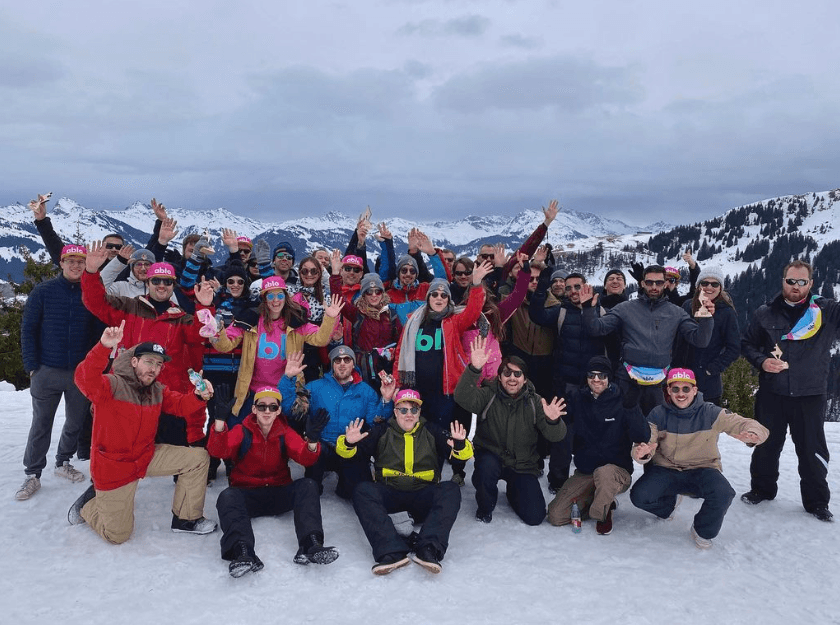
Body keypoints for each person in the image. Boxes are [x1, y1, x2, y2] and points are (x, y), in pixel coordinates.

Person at [68, 323, 217, 543]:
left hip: (145, 457)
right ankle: (88, 505)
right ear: (134, 361)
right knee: (117, 535)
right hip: (114, 467)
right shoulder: (112, 385)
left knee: (198, 458)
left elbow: (179, 405)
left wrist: (197, 396)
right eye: (148, 361)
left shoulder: (156, 390)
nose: (154, 369)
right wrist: (103, 347)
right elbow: (84, 379)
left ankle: (187, 519)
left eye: (158, 364)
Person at [81, 242, 216, 446]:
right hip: (130, 391)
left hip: (167, 394)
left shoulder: (181, 318)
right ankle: (114, 477)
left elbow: (200, 335)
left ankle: (184, 474)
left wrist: (204, 306)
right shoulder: (129, 306)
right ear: (149, 282)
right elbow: (95, 302)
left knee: (177, 447)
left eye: (167, 282)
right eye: (156, 280)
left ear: (173, 285)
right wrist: (91, 272)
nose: (162, 285)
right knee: (120, 445)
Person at [740, 260, 840, 522]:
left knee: (811, 449)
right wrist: (762, 361)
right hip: (772, 392)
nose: (795, 286)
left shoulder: (826, 311)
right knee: (766, 445)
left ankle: (817, 502)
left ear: (811, 283)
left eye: (801, 282)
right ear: (782, 281)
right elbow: (748, 344)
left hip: (810, 394)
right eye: (790, 281)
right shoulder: (765, 312)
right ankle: (761, 489)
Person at [336, 389, 473, 575]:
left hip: (423, 495)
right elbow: (351, 456)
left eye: (413, 410)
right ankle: (390, 551)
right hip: (391, 495)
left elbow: (461, 456)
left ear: (419, 413)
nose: (409, 415)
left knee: (450, 489)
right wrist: (349, 444)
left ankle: (428, 549)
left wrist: (459, 446)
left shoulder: (431, 430)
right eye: (403, 410)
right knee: (362, 490)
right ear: (395, 411)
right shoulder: (382, 430)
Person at [629, 368, 768, 548]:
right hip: (667, 469)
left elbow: (743, 423)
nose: (681, 394)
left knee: (723, 493)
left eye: (686, 389)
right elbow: (646, 441)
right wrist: (642, 453)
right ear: (668, 391)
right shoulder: (658, 413)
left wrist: (753, 433)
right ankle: (668, 507)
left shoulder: (710, 412)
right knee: (639, 496)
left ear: (694, 390)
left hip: (702, 469)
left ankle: (702, 530)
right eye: (675, 389)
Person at [208, 386, 339, 577]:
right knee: (227, 496)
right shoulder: (241, 430)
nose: (267, 411)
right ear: (254, 409)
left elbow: (306, 458)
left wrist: (312, 441)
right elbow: (218, 451)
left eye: (272, 407)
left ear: (278, 410)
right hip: (247, 494)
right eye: (262, 406)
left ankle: (311, 544)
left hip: (278, 491)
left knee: (308, 486)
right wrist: (219, 421)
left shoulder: (284, 432)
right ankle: (243, 552)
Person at [454, 336, 567, 525]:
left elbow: (555, 436)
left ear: (524, 379)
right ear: (499, 377)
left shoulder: (535, 402)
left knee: (535, 517)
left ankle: (515, 490)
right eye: (507, 373)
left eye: (517, 374)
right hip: (491, 457)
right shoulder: (488, 394)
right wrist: (474, 369)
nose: (512, 378)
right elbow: (462, 396)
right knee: (485, 470)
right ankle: (485, 506)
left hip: (522, 464)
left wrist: (553, 421)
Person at [16, 244, 99, 501]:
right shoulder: (43, 292)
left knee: (75, 422)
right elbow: (28, 329)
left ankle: (63, 461)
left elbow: (97, 333)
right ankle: (32, 473)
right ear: (61, 263)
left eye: (80, 261)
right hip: (46, 370)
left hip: (79, 372)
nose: (76, 265)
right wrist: (32, 367)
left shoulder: (90, 292)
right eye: (70, 261)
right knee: (41, 423)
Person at [580, 264, 715, 415]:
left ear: (665, 284)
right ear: (642, 283)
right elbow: (596, 328)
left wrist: (706, 318)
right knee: (625, 429)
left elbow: (700, 340)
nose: (654, 287)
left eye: (658, 283)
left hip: (659, 383)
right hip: (628, 380)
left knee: (655, 429)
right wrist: (587, 309)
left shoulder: (677, 312)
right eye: (649, 282)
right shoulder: (625, 308)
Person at [210, 276, 342, 423]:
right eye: (270, 295)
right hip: (253, 391)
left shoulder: (296, 321)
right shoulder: (250, 320)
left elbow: (320, 339)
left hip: (285, 391)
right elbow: (224, 345)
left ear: (285, 297)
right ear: (264, 298)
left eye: (279, 295)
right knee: (242, 434)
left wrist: (330, 318)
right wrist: (218, 331)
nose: (275, 300)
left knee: (284, 440)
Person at [547, 356, 650, 534]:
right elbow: (560, 432)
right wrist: (554, 419)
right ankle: (601, 499)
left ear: (609, 377)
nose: (596, 379)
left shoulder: (622, 399)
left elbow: (642, 436)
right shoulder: (578, 398)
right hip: (586, 471)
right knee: (556, 516)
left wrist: (632, 408)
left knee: (604, 473)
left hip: (616, 472)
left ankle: (602, 512)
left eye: (602, 375)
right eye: (592, 375)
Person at [279, 347, 396, 498]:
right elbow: (291, 409)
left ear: (353, 364)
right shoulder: (316, 387)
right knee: (310, 489)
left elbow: (375, 421)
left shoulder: (366, 391)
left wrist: (386, 400)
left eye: (347, 360)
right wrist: (288, 379)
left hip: (350, 447)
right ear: (332, 364)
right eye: (337, 360)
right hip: (323, 447)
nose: (342, 364)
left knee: (351, 492)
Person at [529, 269, 607, 492]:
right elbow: (537, 315)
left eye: (577, 286)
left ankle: (590, 478)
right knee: (562, 434)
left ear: (586, 287)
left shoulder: (601, 311)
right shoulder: (561, 311)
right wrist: (543, 285)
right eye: (569, 287)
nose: (573, 291)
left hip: (593, 386)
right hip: (565, 384)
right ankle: (558, 479)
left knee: (592, 434)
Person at [672, 266, 740, 406]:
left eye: (714, 284)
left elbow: (734, 348)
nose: (709, 287)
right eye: (704, 283)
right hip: (680, 378)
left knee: (707, 425)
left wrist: (712, 369)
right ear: (698, 286)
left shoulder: (727, 313)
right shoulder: (687, 306)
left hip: (707, 384)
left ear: (720, 288)